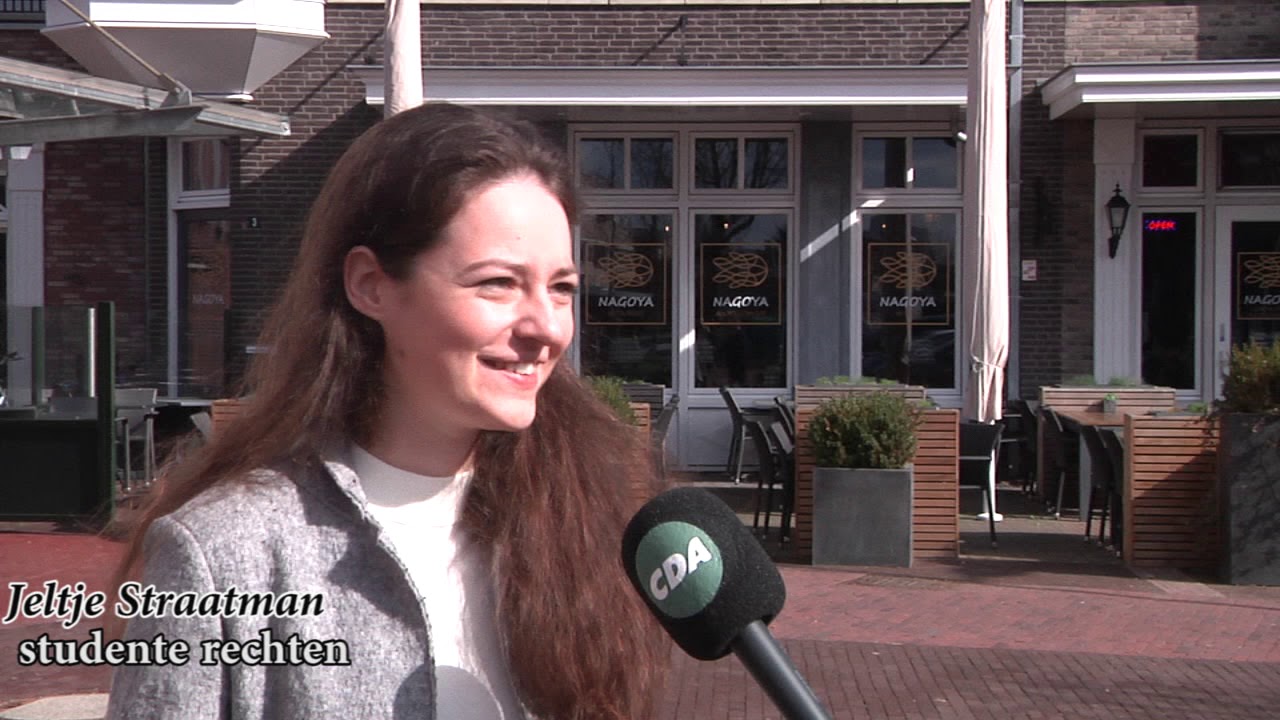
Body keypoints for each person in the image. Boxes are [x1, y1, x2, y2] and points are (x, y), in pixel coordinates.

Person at [107, 102, 670, 719]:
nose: (547, 328)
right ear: (370, 285)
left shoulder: (583, 518)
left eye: (561, 288)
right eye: (498, 283)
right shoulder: (225, 554)